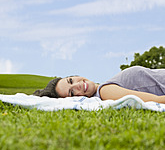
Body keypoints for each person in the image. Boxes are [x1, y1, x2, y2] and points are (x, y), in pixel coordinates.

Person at [33, 66, 165, 103]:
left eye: (71, 81)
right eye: (71, 92)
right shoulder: (105, 92)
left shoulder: (107, 84)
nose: (77, 85)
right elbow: (159, 100)